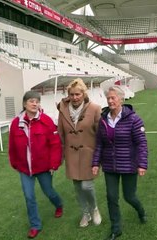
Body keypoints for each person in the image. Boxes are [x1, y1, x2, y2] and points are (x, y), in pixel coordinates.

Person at [92, 86, 148, 240]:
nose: (110, 101)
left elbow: (141, 143)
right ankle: (116, 228)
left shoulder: (133, 119)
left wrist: (142, 164)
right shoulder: (103, 119)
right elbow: (99, 144)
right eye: (108, 98)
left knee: (129, 196)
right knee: (111, 197)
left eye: (113, 98)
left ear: (121, 99)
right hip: (110, 165)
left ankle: (141, 211)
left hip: (129, 164)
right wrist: (95, 163)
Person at [8, 90, 63, 239]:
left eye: (37, 101)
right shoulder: (16, 123)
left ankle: (59, 205)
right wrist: (14, 162)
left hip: (44, 166)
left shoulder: (46, 120)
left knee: (49, 191)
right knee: (29, 196)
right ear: (25, 104)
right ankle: (35, 225)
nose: (35, 104)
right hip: (25, 168)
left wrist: (54, 164)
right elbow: (12, 145)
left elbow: (55, 144)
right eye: (31, 101)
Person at [57, 78, 102, 227]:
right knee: (77, 187)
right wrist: (61, 155)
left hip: (89, 154)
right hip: (71, 154)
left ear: (84, 93)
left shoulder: (95, 108)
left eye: (78, 94)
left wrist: (99, 156)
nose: (75, 97)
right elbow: (60, 133)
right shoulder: (62, 109)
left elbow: (100, 134)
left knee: (86, 186)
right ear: (68, 95)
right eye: (72, 94)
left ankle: (94, 208)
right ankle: (85, 213)